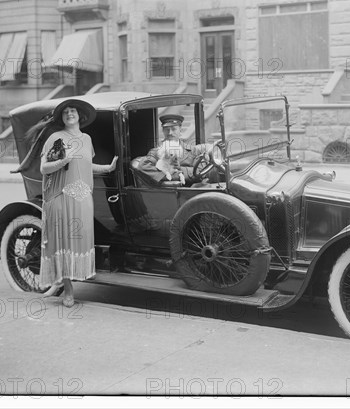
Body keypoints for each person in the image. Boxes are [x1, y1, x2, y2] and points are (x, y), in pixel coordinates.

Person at [27, 99, 118, 307]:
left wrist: (107, 168)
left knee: (80, 240)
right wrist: (62, 161)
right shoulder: (55, 137)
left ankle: (67, 278)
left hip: (83, 197)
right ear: (62, 117)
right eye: (66, 111)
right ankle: (68, 291)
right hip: (62, 197)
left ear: (80, 116)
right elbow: (44, 168)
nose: (70, 114)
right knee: (66, 242)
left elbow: (86, 165)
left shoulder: (86, 138)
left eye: (73, 111)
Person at [135, 114, 212, 186]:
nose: (170, 133)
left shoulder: (193, 150)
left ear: (180, 130)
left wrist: (180, 169)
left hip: (192, 190)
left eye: (174, 129)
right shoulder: (156, 152)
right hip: (168, 193)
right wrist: (169, 176)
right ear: (163, 131)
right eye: (166, 129)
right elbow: (143, 166)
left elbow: (202, 171)